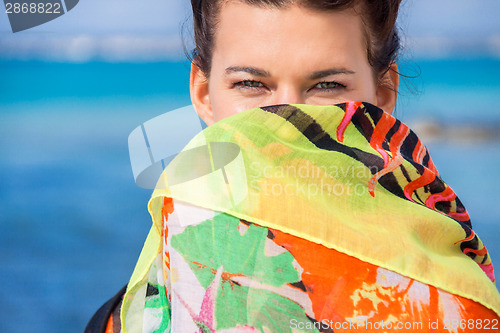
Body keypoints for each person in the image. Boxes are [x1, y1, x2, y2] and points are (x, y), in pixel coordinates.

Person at [86, 0, 500, 332]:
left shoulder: (448, 298)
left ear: (383, 94)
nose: (285, 120)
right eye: (251, 84)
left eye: (327, 86)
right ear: (203, 93)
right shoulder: (132, 317)